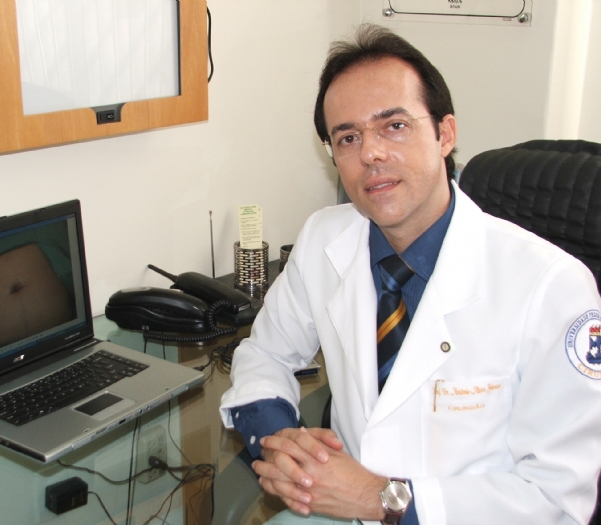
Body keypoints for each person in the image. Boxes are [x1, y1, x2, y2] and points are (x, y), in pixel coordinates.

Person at [219, 23, 601, 525]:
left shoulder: (554, 287)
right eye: (348, 138)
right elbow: (265, 354)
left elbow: (556, 499)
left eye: (394, 126)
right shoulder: (323, 238)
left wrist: (380, 499)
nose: (371, 154)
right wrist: (280, 444)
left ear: (445, 134)